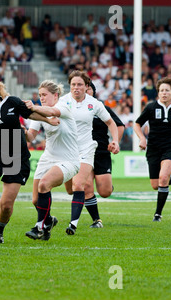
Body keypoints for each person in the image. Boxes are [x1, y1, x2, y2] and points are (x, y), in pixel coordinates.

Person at [0, 77, 59, 243]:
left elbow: (31, 113)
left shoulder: (12, 102)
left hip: (17, 158)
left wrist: (48, 120)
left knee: (6, 205)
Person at [60, 70, 120, 235]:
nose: (76, 88)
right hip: (66, 150)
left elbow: (112, 123)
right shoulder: (62, 101)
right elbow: (51, 116)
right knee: (71, 189)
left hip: (88, 149)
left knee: (83, 185)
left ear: (87, 87)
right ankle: (46, 221)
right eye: (73, 84)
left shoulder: (95, 104)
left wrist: (115, 141)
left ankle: (74, 225)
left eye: (80, 84)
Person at [24, 80, 79, 241]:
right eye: (40, 95)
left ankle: (39, 227)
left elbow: (52, 111)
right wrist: (21, 130)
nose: (41, 98)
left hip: (69, 160)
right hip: (48, 157)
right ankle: (49, 221)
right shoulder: (40, 112)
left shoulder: (63, 107)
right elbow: (31, 136)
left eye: (44, 95)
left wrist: (33, 107)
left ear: (55, 95)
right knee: (35, 199)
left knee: (44, 185)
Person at [134, 77, 171, 222]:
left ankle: (157, 214)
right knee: (155, 185)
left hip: (170, 147)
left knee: (163, 178)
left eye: (167, 91)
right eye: (161, 90)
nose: (164, 93)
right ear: (158, 93)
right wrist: (142, 138)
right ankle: (166, 178)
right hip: (153, 148)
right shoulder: (151, 107)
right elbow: (137, 124)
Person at [84, 82, 125, 228]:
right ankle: (96, 220)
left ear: (93, 92)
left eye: (88, 89)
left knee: (105, 192)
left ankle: (107, 185)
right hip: (82, 152)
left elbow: (119, 125)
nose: (85, 91)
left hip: (101, 152)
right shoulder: (73, 109)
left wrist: (115, 141)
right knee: (87, 186)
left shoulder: (101, 108)